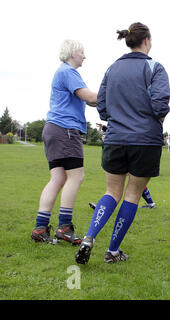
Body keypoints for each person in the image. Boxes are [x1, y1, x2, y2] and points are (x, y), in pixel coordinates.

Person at [75, 22, 170, 264]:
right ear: (147, 41)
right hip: (145, 141)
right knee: (132, 195)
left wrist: (117, 119)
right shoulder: (155, 67)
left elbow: (102, 106)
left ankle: (88, 237)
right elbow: (160, 104)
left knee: (111, 192)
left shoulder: (112, 68)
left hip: (116, 139)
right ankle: (113, 251)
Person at [31, 39, 97, 245]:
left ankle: (40, 228)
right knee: (76, 177)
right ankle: (64, 227)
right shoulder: (68, 72)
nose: (84, 56)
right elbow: (89, 97)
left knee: (58, 179)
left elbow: (92, 100)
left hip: (53, 130)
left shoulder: (63, 72)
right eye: (82, 52)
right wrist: (115, 95)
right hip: (65, 130)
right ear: (72, 53)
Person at [88, 123, 156, 210]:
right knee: (132, 183)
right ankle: (151, 203)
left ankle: (103, 207)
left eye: (105, 136)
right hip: (125, 156)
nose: (103, 138)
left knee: (118, 186)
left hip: (128, 156)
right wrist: (104, 128)